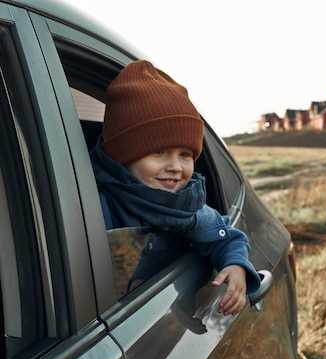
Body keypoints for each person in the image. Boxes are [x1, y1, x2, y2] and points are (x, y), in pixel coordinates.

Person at [90, 60, 260, 315]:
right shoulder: (95, 207)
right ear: (123, 155)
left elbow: (226, 237)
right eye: (158, 152)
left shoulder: (185, 208)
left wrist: (236, 265)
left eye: (185, 155)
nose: (175, 167)